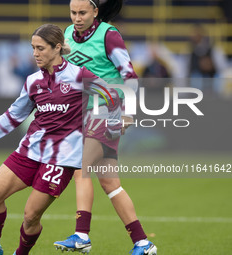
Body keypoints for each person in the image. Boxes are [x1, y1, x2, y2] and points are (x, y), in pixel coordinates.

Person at [0, 24, 118, 255]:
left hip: (61, 159)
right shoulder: (33, 81)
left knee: (30, 216)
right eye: (33, 48)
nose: (35, 53)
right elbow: (15, 114)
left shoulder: (79, 75)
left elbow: (112, 95)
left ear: (57, 48)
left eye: (41, 48)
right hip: (29, 151)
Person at [53, 1, 157, 255]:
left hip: (107, 109)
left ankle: (81, 235)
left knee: (82, 168)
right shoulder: (67, 34)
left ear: (95, 12)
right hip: (82, 114)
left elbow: (129, 74)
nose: (77, 18)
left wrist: (129, 113)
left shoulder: (109, 35)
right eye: (73, 13)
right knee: (110, 183)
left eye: (82, 13)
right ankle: (143, 243)